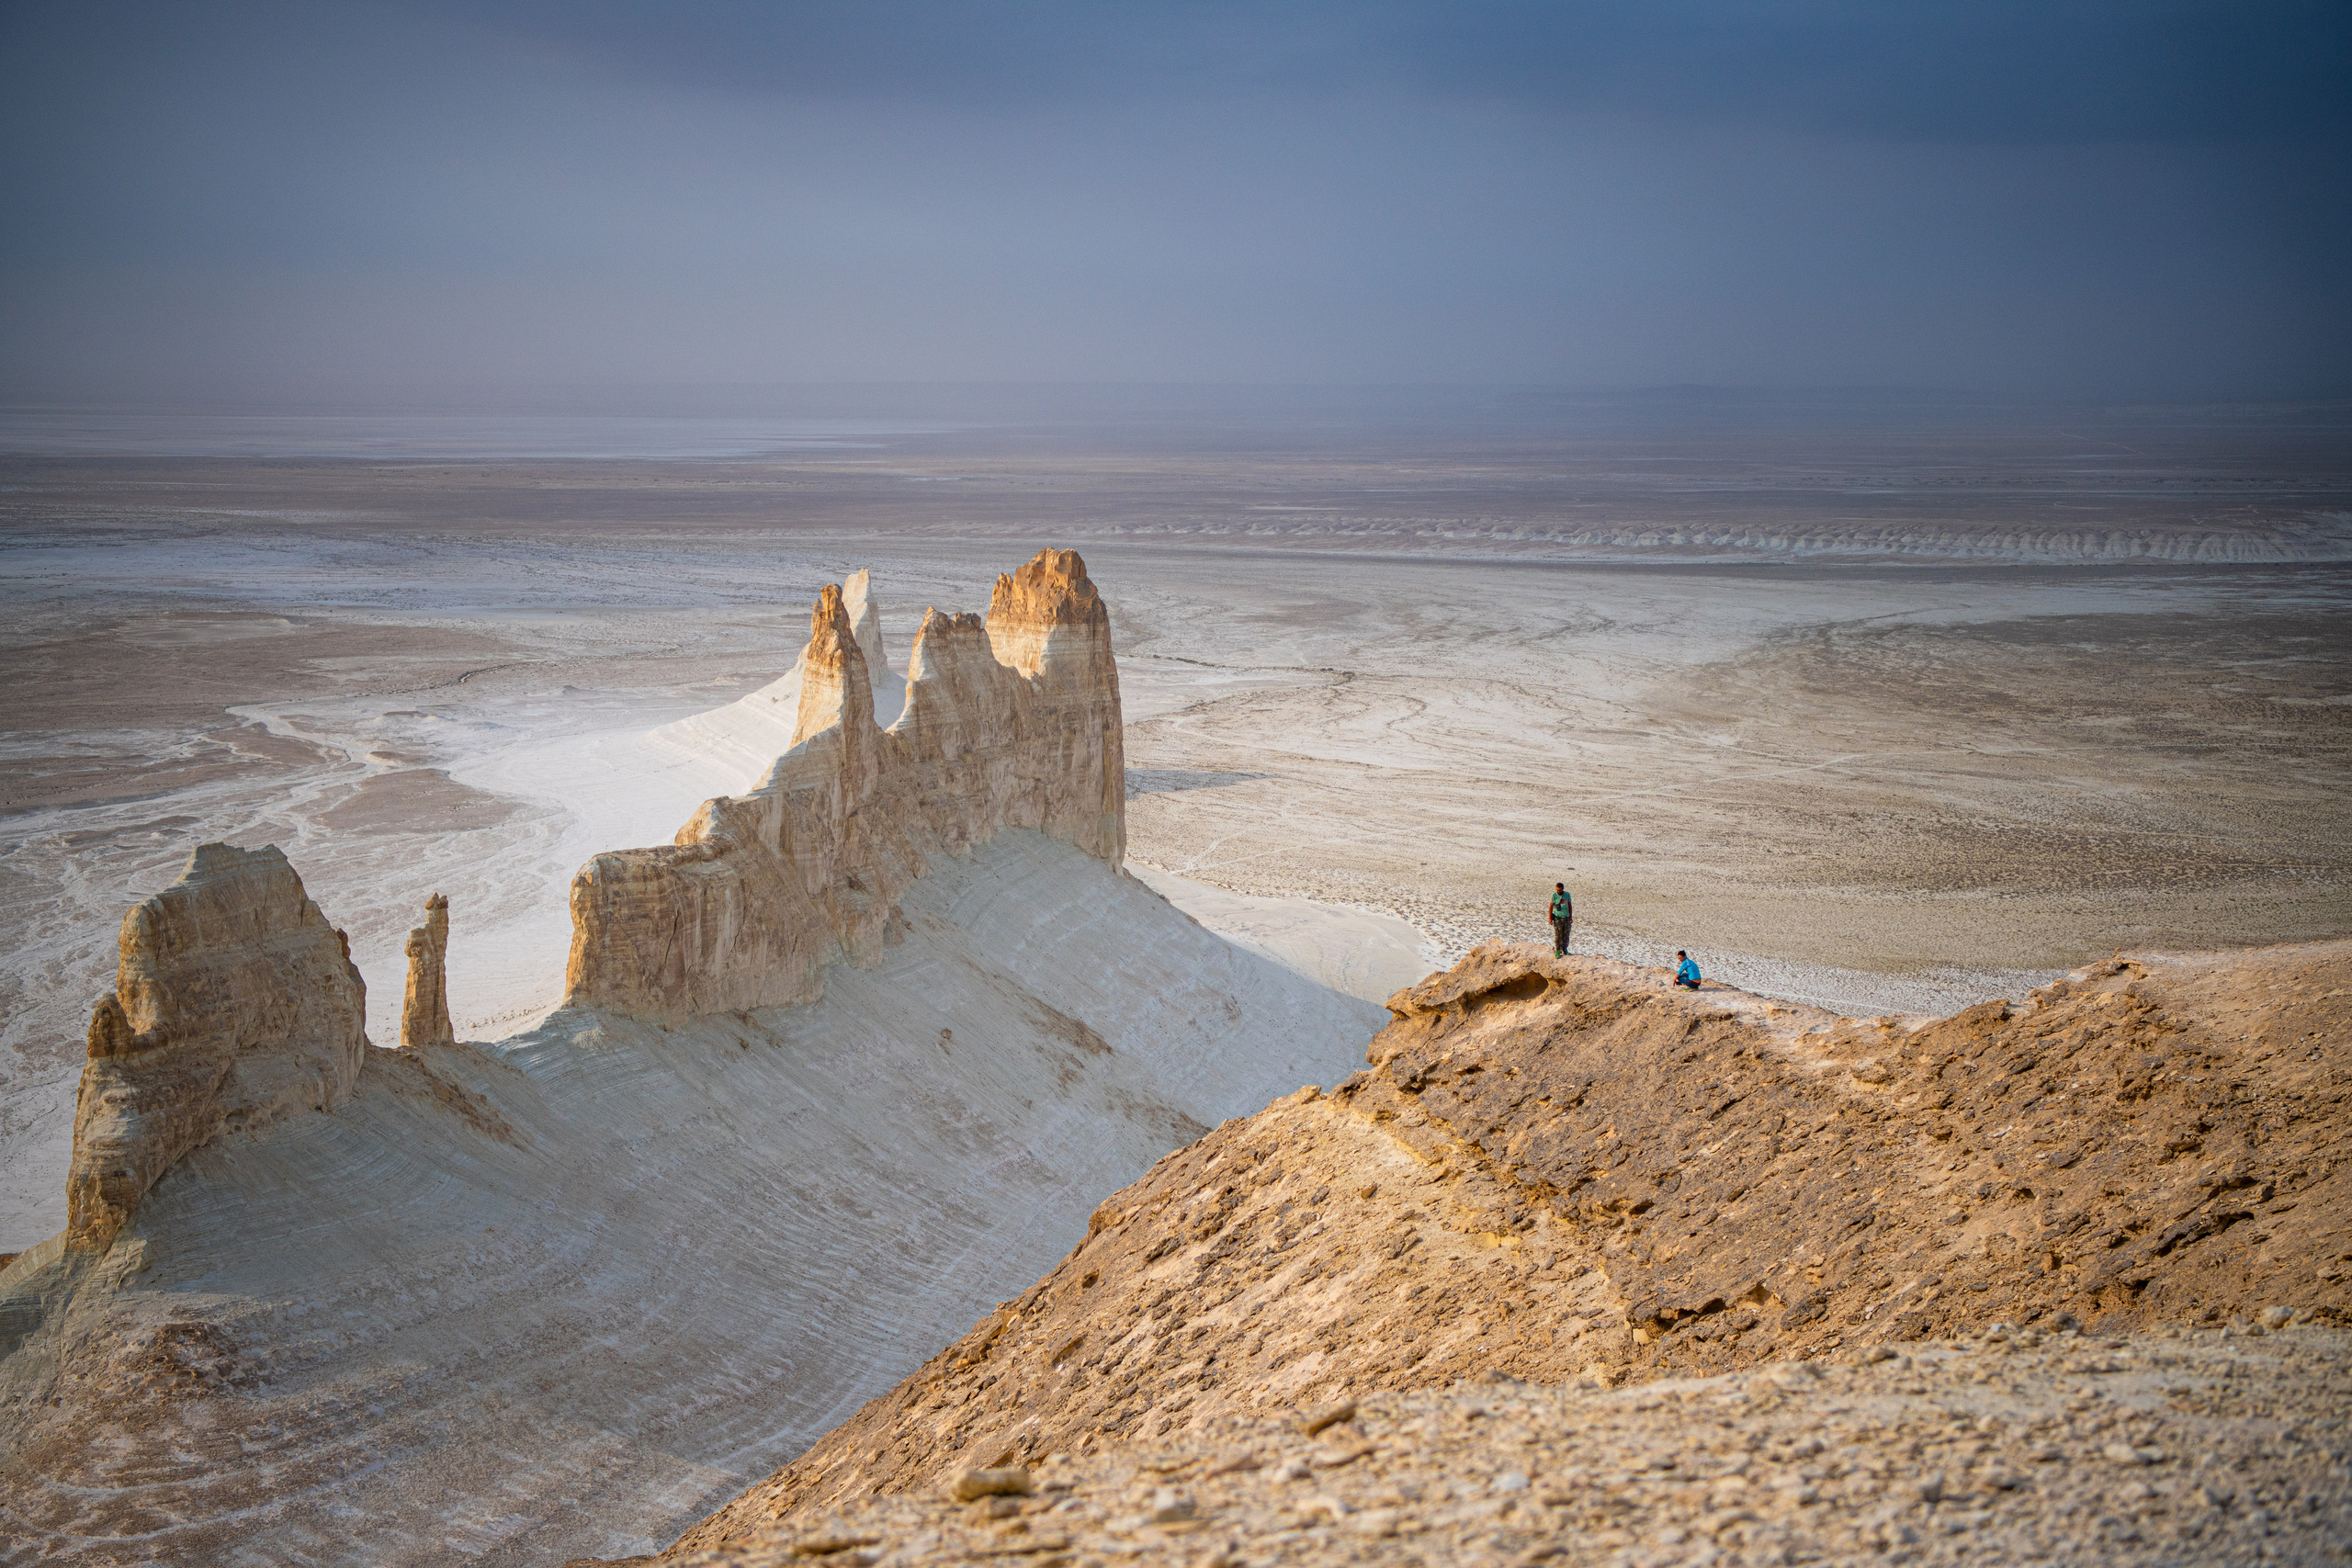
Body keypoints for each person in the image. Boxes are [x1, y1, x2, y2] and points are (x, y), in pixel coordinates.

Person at [1548, 882, 1573, 957]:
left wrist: (1570, 917)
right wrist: (1550, 918)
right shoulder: (1554, 896)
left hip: (1566, 917)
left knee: (1566, 935)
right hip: (1557, 917)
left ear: (1563, 889)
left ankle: (1565, 950)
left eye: (1560, 890)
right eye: (1558, 890)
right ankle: (1557, 951)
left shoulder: (1567, 895)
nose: (1559, 892)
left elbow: (1570, 906)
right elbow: (1551, 907)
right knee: (1558, 935)